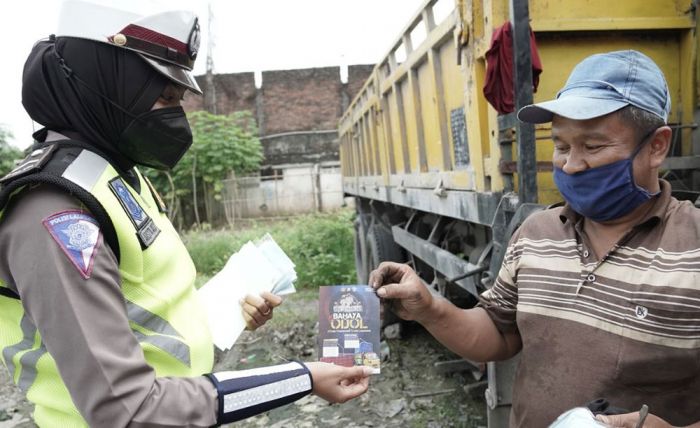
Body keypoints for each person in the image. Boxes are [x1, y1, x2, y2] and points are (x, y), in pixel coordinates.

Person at [0, 1, 371, 427]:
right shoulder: (56, 210)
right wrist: (299, 378)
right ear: (106, 82)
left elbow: (146, 313)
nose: (178, 115)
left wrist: (225, 314)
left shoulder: (117, 178)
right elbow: (128, 409)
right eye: (164, 96)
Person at [370, 49, 700, 427]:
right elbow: (499, 333)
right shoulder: (536, 233)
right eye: (561, 146)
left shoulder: (692, 244)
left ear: (657, 146)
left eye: (592, 146)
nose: (572, 165)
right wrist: (429, 308)